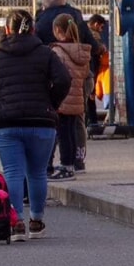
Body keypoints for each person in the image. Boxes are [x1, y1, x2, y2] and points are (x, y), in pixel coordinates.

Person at [0, 10, 70, 242]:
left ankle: (16, 222)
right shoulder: (45, 53)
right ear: (33, 30)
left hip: (6, 123)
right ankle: (36, 220)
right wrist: (51, 103)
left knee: (13, 172)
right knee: (37, 172)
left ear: (7, 29)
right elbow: (64, 79)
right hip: (41, 121)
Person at [47, 14, 92, 182]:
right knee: (71, 132)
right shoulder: (82, 51)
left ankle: (63, 165)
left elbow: (54, 76)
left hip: (62, 99)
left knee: (60, 134)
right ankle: (71, 164)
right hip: (77, 99)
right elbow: (86, 74)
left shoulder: (57, 51)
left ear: (57, 30)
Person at [85, 14, 109, 127]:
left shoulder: (83, 32)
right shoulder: (94, 36)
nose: (102, 30)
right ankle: (92, 121)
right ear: (96, 24)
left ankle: (90, 121)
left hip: (87, 69)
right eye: (101, 27)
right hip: (91, 69)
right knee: (90, 98)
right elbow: (96, 53)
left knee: (88, 98)